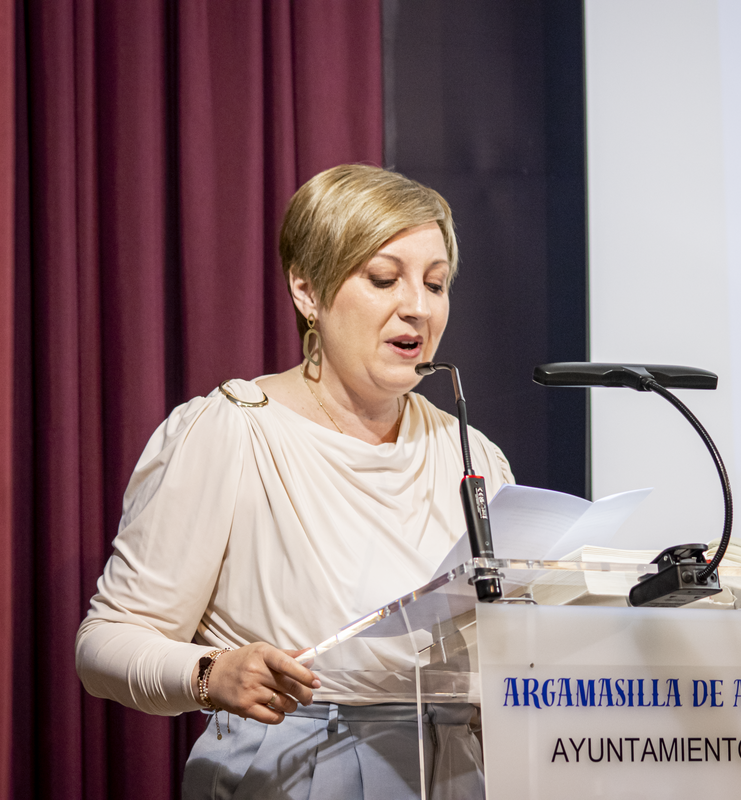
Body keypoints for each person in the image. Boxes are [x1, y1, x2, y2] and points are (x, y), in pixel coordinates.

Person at [75, 164, 513, 799]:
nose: (418, 307)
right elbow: (104, 644)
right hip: (292, 771)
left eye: (435, 283)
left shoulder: (473, 455)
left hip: (457, 776)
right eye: (384, 278)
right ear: (307, 291)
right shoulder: (230, 432)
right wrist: (211, 673)